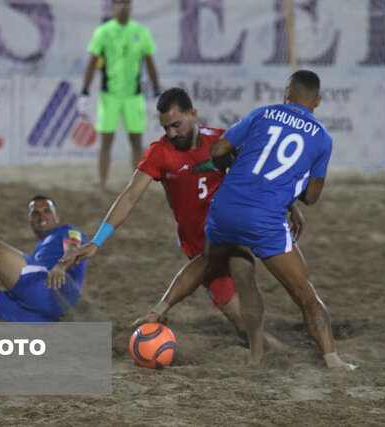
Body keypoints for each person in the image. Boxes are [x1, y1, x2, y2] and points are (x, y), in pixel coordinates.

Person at [130, 70, 356, 370]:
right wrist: (291, 190)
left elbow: (219, 150)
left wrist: (237, 164)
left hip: (224, 210)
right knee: (304, 292)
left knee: (207, 259)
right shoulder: (323, 139)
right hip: (265, 222)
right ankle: (332, 358)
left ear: (286, 93)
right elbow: (312, 197)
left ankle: (160, 308)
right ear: (318, 101)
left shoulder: (262, 114)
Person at [64, 87, 290, 348]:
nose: (171, 134)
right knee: (246, 327)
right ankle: (282, 353)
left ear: (193, 114)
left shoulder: (220, 141)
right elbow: (128, 198)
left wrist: (290, 208)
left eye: (176, 125)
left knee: (292, 278)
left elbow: (258, 175)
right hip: (198, 245)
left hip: (234, 231)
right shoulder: (159, 153)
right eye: (165, 128)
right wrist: (96, 241)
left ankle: (160, 310)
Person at [78, 0, 161, 192]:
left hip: (134, 96)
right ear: (112, 7)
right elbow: (92, 63)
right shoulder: (103, 32)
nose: (122, 7)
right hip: (110, 97)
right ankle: (102, 184)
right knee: (106, 142)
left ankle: (136, 186)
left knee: (136, 142)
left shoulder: (141, 32)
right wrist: (84, 91)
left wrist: (157, 89)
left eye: (126, 3)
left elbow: (149, 63)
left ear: (131, 6)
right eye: (118, 3)